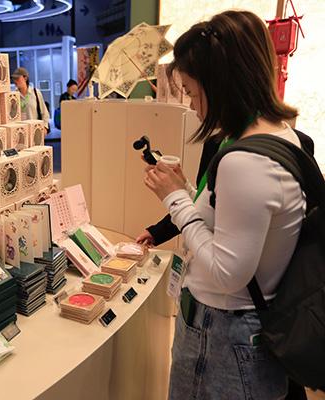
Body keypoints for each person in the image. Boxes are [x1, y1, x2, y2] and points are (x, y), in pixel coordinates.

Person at [142, 10, 308, 399]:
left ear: (220, 84)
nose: (192, 106)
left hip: (223, 336)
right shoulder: (277, 135)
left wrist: (175, 198)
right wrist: (186, 188)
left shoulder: (246, 160)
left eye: (191, 92)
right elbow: (228, 222)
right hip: (238, 330)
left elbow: (227, 272)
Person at [11, 67, 50, 136]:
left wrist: (45, 127)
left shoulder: (35, 92)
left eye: (17, 78)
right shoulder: (13, 95)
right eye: (14, 78)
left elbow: (44, 112)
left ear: (25, 78)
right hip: (19, 133)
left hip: (35, 131)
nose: (15, 81)